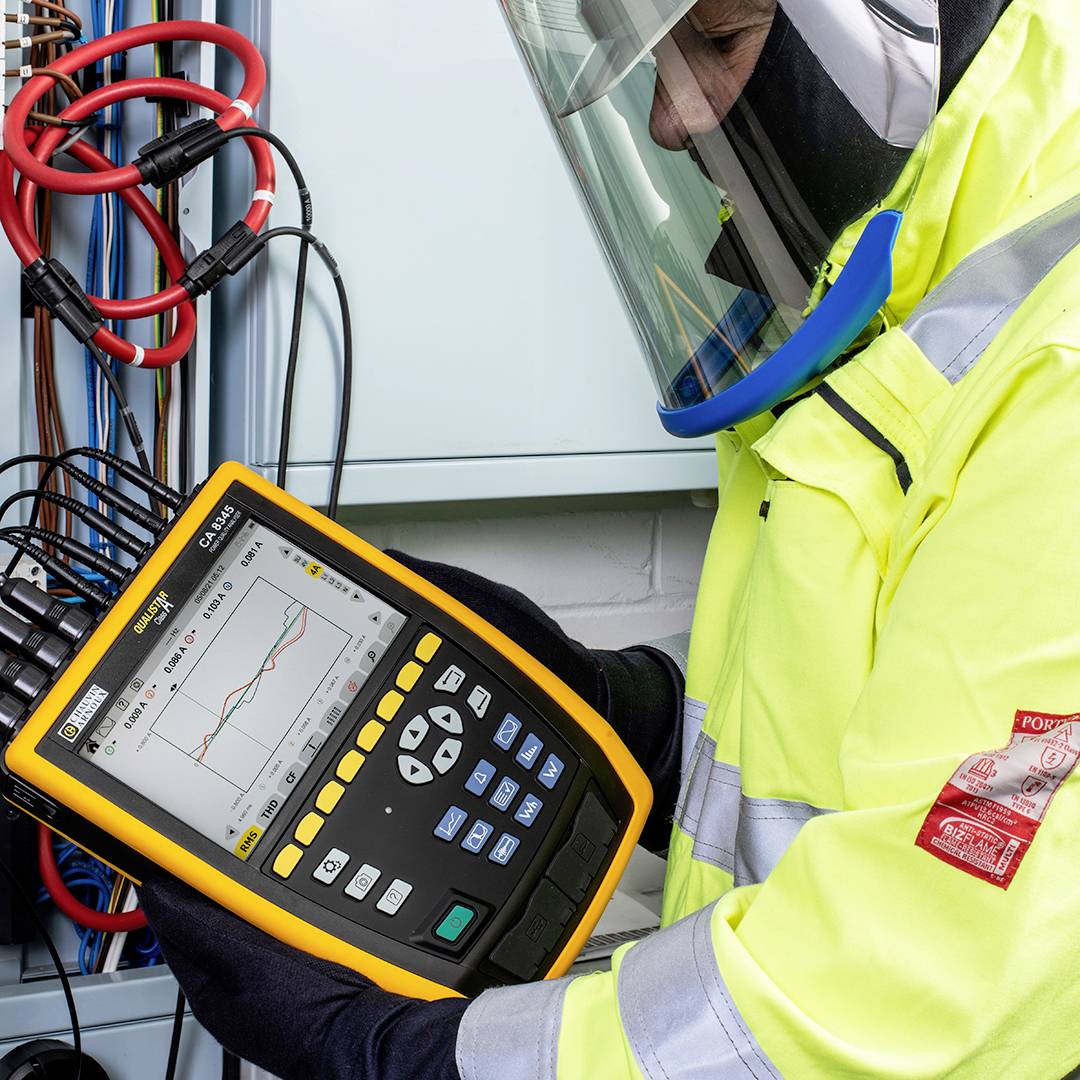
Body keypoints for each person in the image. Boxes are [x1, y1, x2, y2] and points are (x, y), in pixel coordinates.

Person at [141, 0, 1080, 1075]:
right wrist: (632, 719)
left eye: (717, 42)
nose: (672, 121)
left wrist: (411, 1058)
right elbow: (876, 732)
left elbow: (921, 981)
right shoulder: (908, 260)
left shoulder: (1061, 358)